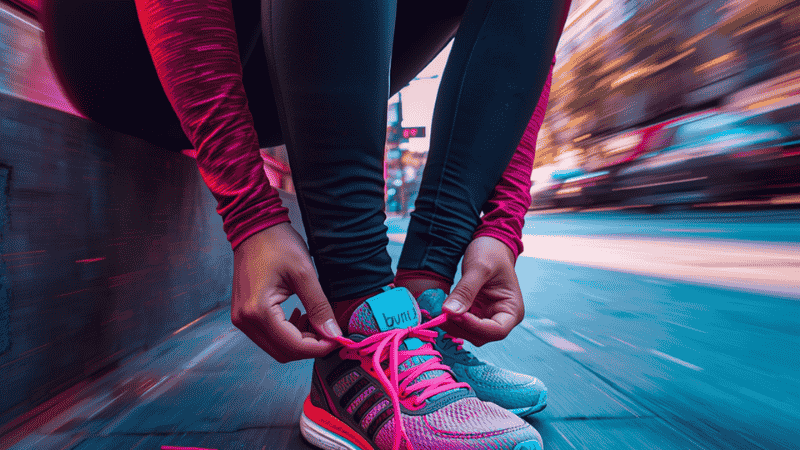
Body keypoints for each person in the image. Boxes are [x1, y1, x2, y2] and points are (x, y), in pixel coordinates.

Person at [131, 1, 571, 449]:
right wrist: (249, 212)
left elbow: (535, 38)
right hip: (142, 59)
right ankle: (357, 324)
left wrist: (502, 226)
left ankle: (418, 311)